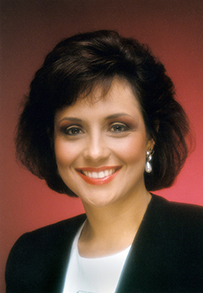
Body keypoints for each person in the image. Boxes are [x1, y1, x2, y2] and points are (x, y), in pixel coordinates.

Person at [5, 30, 203, 293]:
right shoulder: (29, 256)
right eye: (73, 130)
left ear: (151, 136)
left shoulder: (197, 240)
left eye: (118, 127)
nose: (95, 152)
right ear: (51, 140)